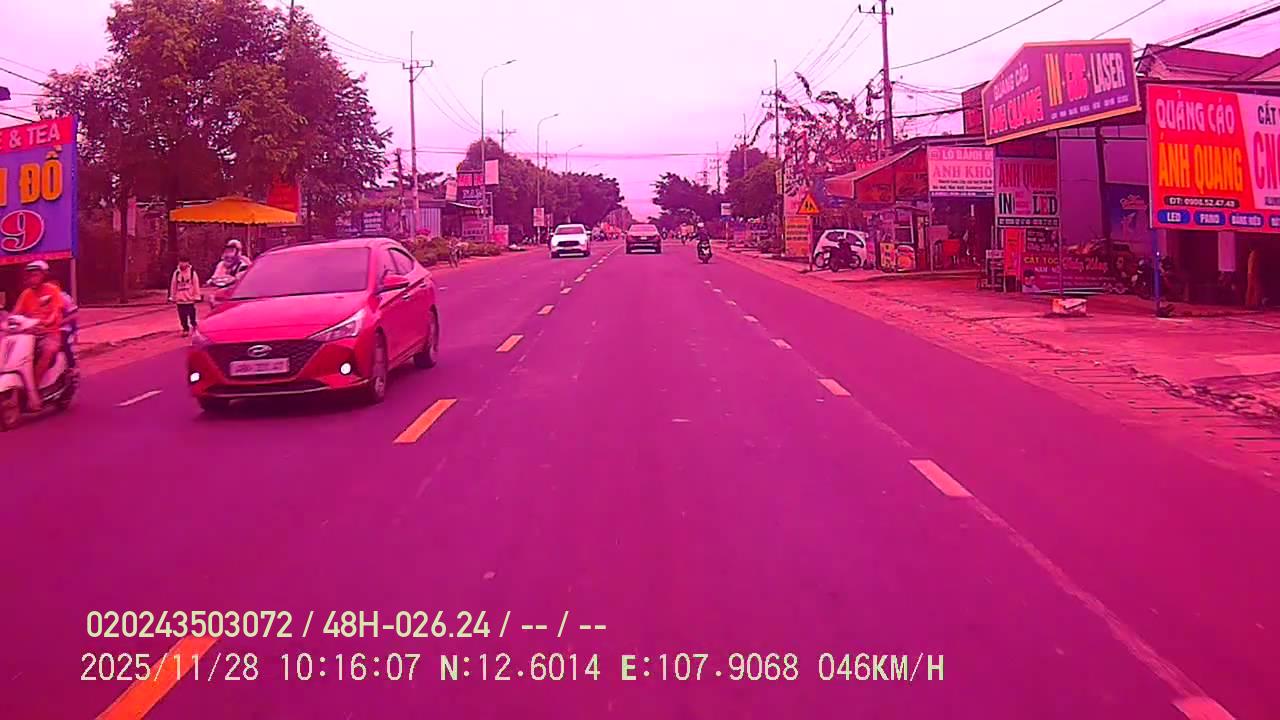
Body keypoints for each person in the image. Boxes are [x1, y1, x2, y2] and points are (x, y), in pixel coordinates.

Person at [12, 260, 65, 409]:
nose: (32, 278)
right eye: (30, 276)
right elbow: (15, 313)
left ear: (43, 276)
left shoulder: (52, 290)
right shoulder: (26, 294)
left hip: (49, 333)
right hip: (28, 334)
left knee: (47, 351)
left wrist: (48, 321)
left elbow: (56, 311)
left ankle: (34, 389)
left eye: (35, 275)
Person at [168, 256, 202, 336]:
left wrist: (197, 296)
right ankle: (185, 328)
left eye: (184, 262)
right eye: (181, 262)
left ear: (188, 263)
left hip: (190, 297)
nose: (182, 264)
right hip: (180, 298)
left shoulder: (192, 272)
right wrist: (173, 296)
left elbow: (195, 284)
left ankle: (194, 324)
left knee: (191, 313)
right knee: (182, 315)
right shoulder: (177, 273)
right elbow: (173, 285)